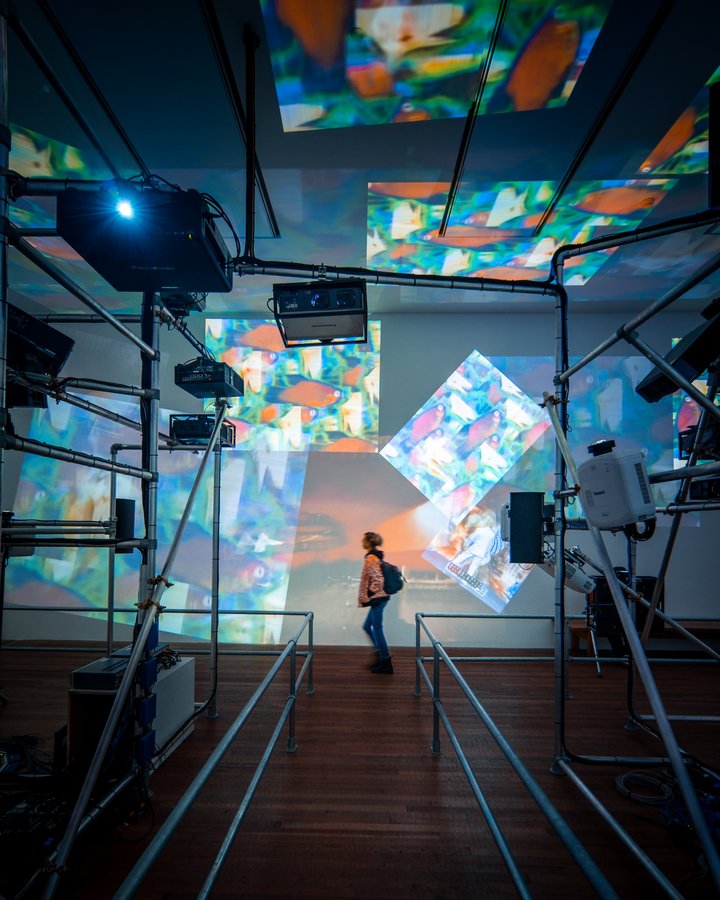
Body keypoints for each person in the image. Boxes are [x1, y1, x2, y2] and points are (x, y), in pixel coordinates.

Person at [358, 531, 393, 674]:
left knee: (377, 628)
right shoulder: (373, 556)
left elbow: (378, 580)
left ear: (369, 542)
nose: (362, 542)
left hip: (378, 598)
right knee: (367, 626)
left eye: (363, 540)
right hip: (379, 598)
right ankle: (379, 654)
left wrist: (371, 594)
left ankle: (385, 662)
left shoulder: (371, 558)